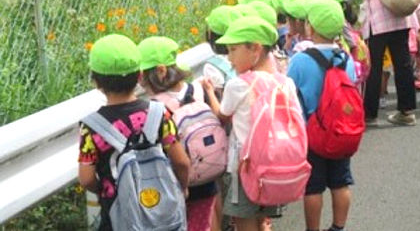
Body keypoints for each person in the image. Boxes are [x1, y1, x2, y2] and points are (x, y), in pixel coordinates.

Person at [78, 34, 190, 231]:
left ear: (96, 82)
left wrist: (105, 189)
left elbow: (86, 179)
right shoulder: (159, 112)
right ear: (139, 75)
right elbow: (181, 161)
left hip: (118, 213)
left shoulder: (91, 127)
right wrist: (183, 187)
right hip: (163, 209)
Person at [201, 16, 299, 231]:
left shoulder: (238, 85)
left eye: (233, 50)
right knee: (263, 220)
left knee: (245, 224)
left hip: (244, 168)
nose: (229, 58)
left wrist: (209, 92)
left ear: (255, 48)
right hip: (275, 165)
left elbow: (222, 114)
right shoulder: (286, 82)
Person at [287, 0, 357, 231]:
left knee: (313, 187)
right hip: (340, 131)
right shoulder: (346, 60)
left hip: (312, 134)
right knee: (341, 183)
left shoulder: (299, 61)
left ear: (311, 27)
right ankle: (338, 227)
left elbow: (289, 94)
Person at [137, 36, 221, 231]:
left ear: (160, 70)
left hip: (176, 182)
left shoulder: (155, 108)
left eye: (141, 75)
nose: (139, 81)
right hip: (207, 173)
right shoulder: (198, 90)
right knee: (206, 220)